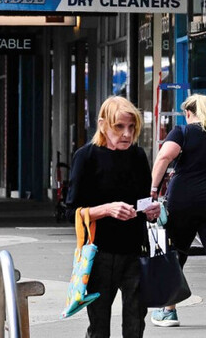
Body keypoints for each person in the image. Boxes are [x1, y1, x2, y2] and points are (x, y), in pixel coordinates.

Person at [67, 97, 160, 338]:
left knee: (135, 324)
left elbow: (143, 202)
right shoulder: (86, 157)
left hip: (135, 251)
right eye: (119, 126)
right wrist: (107, 209)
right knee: (99, 327)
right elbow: (72, 211)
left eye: (131, 127)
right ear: (102, 124)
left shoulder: (138, 156)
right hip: (99, 254)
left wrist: (152, 212)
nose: (127, 134)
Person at [148, 94, 206, 330]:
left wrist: (153, 190)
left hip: (184, 199)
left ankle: (169, 311)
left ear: (188, 113)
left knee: (176, 254)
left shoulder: (182, 132)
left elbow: (164, 156)